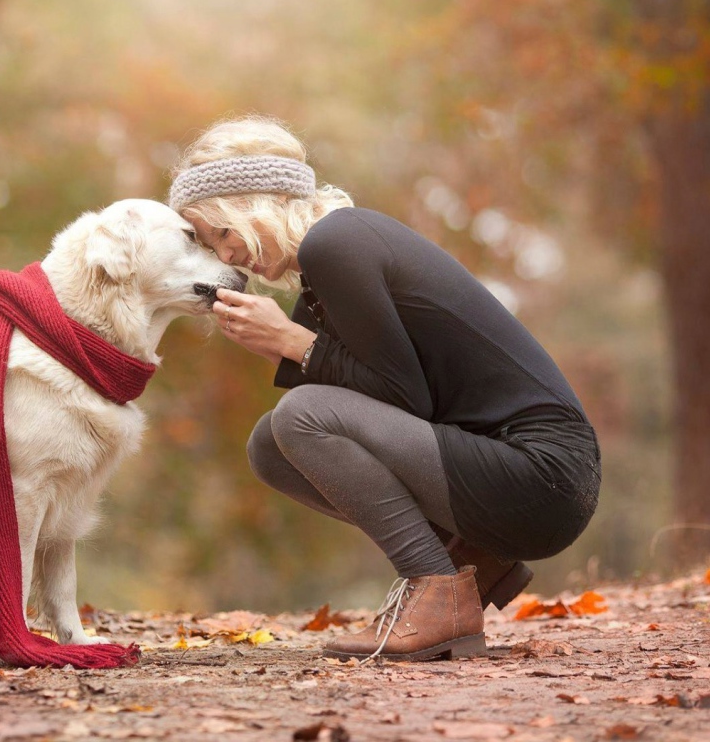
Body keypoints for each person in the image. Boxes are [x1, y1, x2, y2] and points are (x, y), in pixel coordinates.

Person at [167, 115, 601, 661]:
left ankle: (436, 589)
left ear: (254, 204)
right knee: (271, 446)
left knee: (300, 415)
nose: (226, 257)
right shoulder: (325, 264)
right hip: (514, 474)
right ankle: (469, 561)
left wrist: (293, 341)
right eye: (212, 246)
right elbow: (387, 399)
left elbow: (403, 399)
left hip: (541, 476)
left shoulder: (337, 243)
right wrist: (288, 342)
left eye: (222, 233)